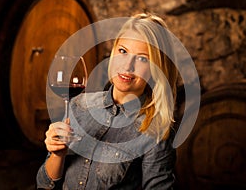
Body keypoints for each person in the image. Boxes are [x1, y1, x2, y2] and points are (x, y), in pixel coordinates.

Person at [36, 12, 179, 189]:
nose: (127, 66)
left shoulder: (156, 131)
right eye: (123, 51)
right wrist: (57, 154)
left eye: (142, 58)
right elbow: (44, 185)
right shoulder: (79, 105)